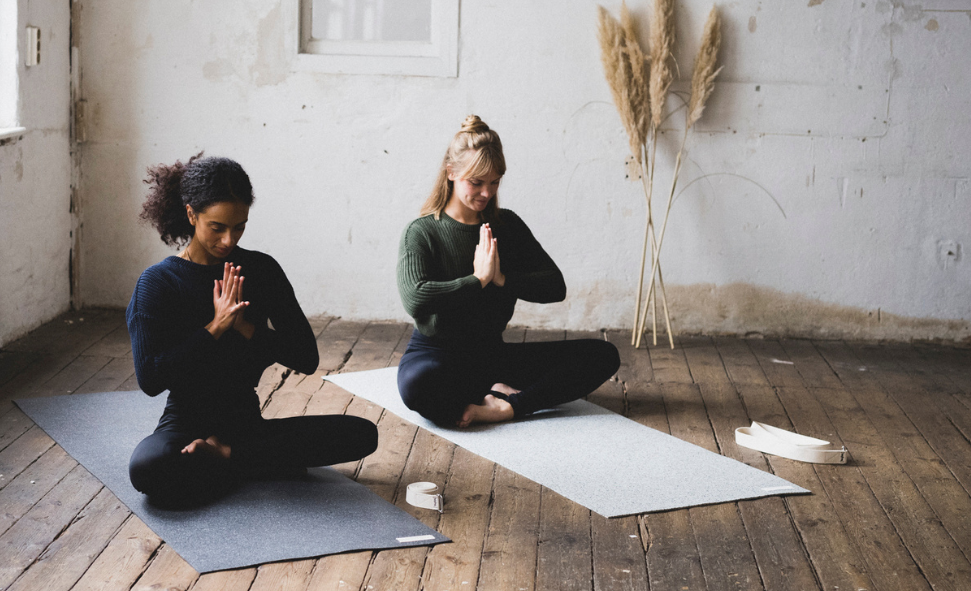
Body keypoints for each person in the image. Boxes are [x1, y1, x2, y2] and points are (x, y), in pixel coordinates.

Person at [127, 154, 378, 508]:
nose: (229, 240)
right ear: (190, 215)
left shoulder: (261, 270)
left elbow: (306, 358)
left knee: (362, 434)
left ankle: (225, 456)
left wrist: (246, 327)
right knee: (148, 468)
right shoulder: (159, 282)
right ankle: (249, 463)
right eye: (217, 227)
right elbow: (151, 379)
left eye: (240, 226)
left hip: (247, 426)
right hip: (183, 425)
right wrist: (215, 328)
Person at [396, 116, 621, 429]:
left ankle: (508, 406)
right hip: (438, 355)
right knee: (418, 384)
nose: (487, 193)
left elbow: (555, 288)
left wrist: (502, 279)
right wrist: (478, 281)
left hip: (492, 356)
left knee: (603, 355)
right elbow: (415, 299)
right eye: (477, 182)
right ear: (451, 172)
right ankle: (494, 392)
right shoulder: (421, 232)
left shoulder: (507, 225)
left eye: (495, 182)